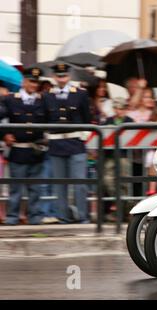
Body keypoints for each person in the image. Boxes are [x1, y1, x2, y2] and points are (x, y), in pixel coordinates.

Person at [42, 62, 91, 224]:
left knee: (79, 183)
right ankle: (62, 216)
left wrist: (84, 136)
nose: (61, 78)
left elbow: (87, 118)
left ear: (69, 76)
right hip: (56, 143)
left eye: (64, 75)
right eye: (58, 76)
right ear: (54, 77)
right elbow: (45, 119)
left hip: (75, 142)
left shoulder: (80, 94)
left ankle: (82, 216)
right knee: (60, 184)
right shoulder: (47, 95)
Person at [0, 67, 47, 225]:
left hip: (36, 151)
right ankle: (12, 218)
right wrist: (4, 135)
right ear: (24, 81)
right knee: (16, 189)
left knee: (35, 189)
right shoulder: (10, 99)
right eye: (31, 81)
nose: (34, 85)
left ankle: (35, 218)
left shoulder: (43, 100)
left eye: (36, 82)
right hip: (18, 150)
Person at [101, 97, 134, 219]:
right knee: (108, 180)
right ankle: (120, 206)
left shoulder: (130, 121)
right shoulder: (107, 121)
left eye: (121, 108)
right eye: (116, 108)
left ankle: (123, 211)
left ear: (125, 109)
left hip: (124, 156)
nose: (118, 110)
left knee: (124, 183)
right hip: (110, 156)